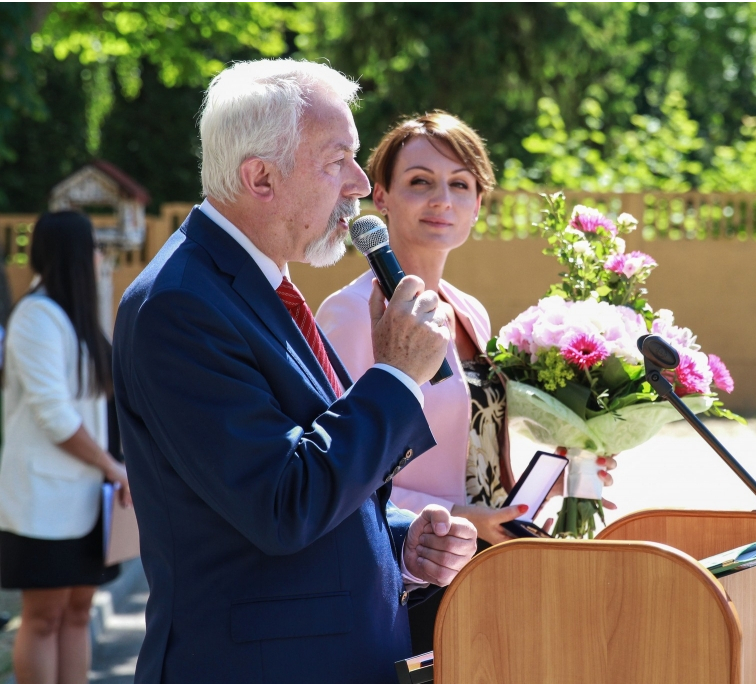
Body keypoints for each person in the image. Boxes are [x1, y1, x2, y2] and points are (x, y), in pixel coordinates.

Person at [112, 60, 477, 683]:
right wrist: (394, 378)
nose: (361, 184)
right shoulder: (180, 304)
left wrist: (400, 539)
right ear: (260, 177)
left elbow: (299, 479)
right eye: (338, 160)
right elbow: (282, 503)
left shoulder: (254, 281)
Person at [316, 111, 617, 652]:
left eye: (461, 184)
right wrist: (461, 518)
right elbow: (338, 471)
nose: (442, 200)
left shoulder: (469, 311)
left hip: (487, 566)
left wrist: (555, 476)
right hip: (410, 577)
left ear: (479, 203)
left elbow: (476, 447)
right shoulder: (349, 313)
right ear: (380, 198)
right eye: (420, 182)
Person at [0, 211, 132, 684]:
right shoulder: (36, 316)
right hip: (42, 501)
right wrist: (112, 468)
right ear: (75, 254)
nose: (101, 258)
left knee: (78, 612)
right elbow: (54, 416)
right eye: (94, 247)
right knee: (44, 617)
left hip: (83, 498)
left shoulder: (78, 317)